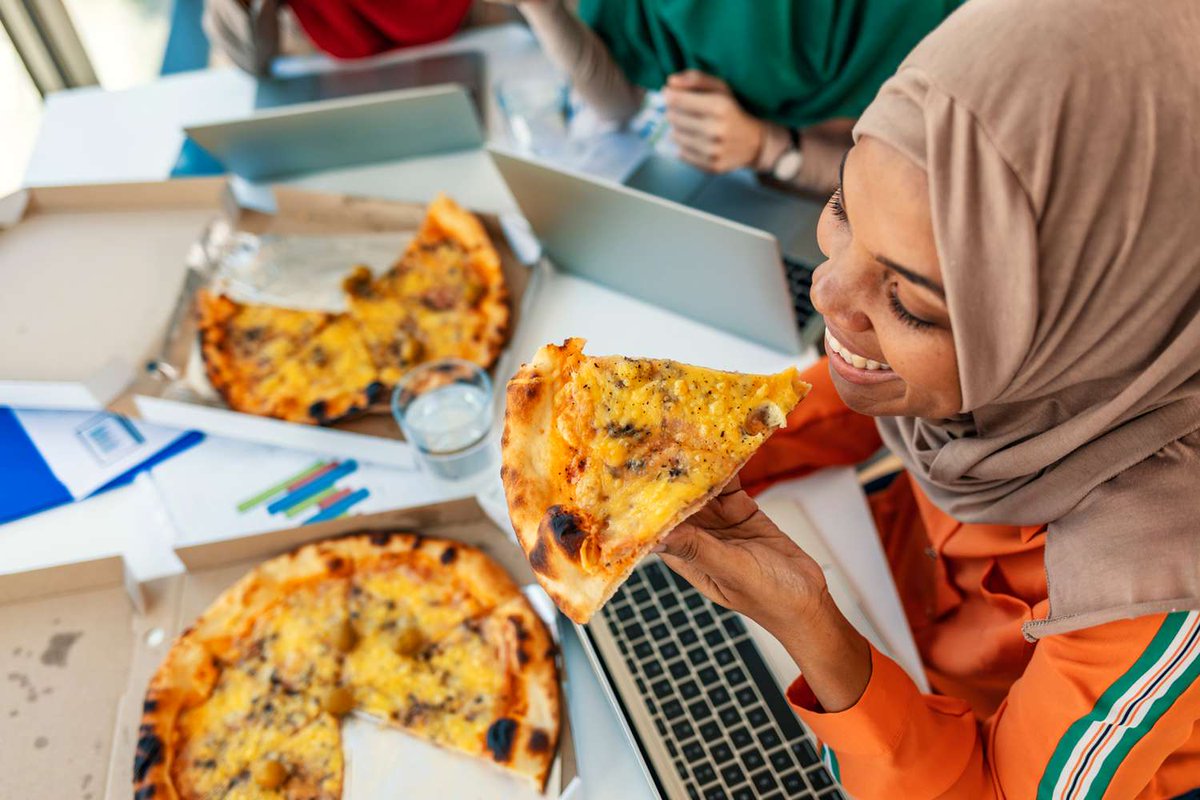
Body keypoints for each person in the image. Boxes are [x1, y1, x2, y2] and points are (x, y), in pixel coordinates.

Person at [655, 0, 1200, 796]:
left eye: (909, 302)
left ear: (1096, 323)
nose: (828, 290)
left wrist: (816, 632)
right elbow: (863, 395)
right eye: (843, 206)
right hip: (900, 593)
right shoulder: (1041, 348)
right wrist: (683, 451)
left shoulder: (1157, 584)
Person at [504, 0, 961, 194]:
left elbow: (933, 180)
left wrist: (771, 148)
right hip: (735, 196)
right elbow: (618, 99)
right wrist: (539, 7)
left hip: (853, 210)